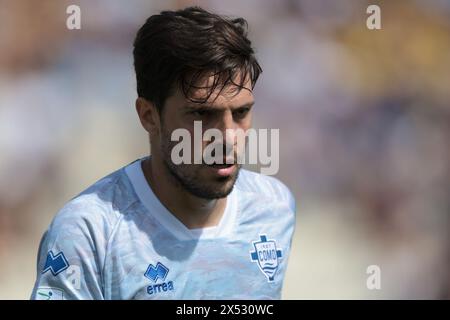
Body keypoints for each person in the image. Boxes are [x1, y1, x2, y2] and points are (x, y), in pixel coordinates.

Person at [31, 6, 296, 300]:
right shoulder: (89, 234)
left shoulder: (274, 208)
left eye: (242, 112)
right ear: (148, 115)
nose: (227, 138)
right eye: (201, 115)